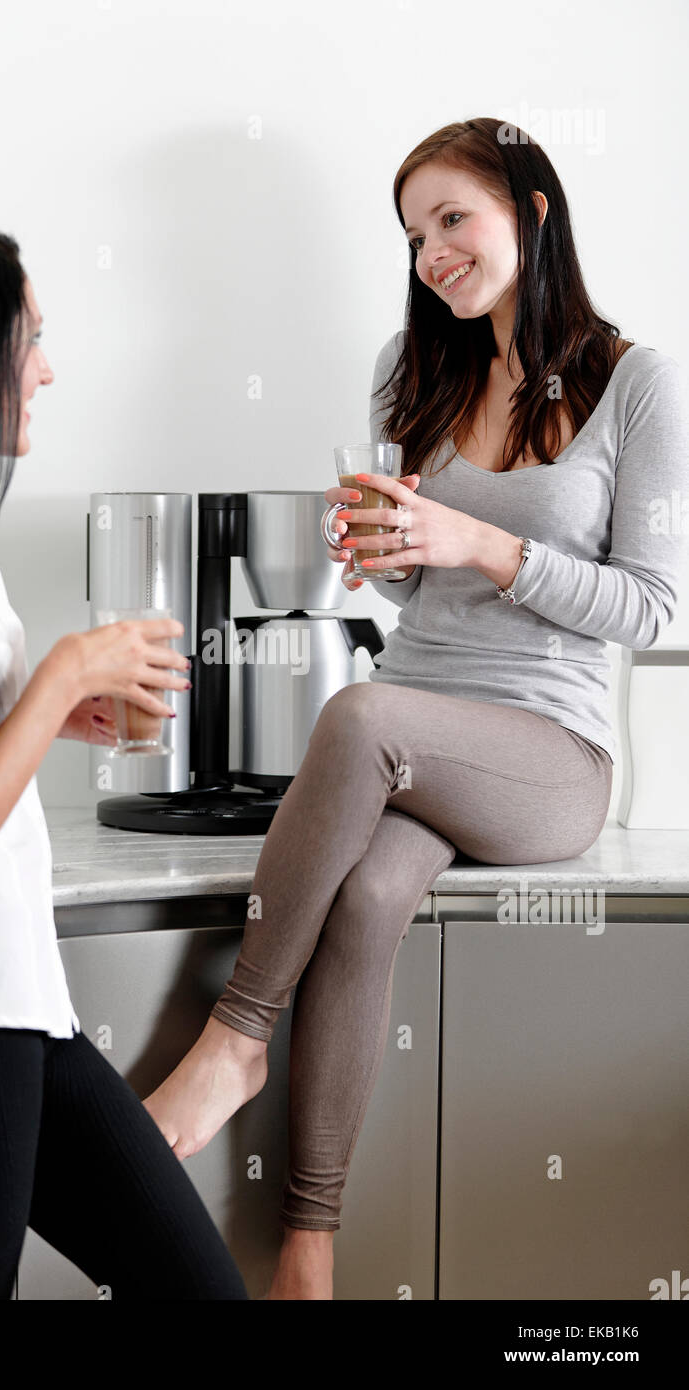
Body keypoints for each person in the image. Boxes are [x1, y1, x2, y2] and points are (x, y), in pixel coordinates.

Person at [142, 116, 689, 1300]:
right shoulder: (416, 365)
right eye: (412, 235)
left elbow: (650, 609)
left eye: (452, 219)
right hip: (413, 738)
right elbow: (408, 583)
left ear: (530, 211)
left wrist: (480, 542)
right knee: (371, 894)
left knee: (356, 716)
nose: (432, 254)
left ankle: (233, 1037)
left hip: (548, 756)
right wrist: (377, 550)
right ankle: (309, 1247)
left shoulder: (635, 383)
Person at [0, 209, 248, 1301]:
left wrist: (46, 710)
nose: (47, 368)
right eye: (27, 340)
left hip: (21, 1003)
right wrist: (60, 678)